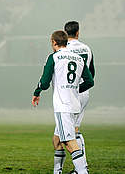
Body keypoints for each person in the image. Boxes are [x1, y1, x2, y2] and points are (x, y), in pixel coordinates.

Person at [31, 30, 94, 174]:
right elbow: (90, 81)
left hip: (63, 106)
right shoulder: (78, 58)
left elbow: (45, 82)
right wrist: (75, 89)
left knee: (69, 143)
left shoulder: (54, 57)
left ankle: (82, 171)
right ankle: (57, 171)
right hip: (75, 105)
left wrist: (37, 92)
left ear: (54, 42)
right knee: (57, 140)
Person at [64, 21, 95, 173]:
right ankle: (83, 165)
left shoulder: (64, 50)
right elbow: (92, 73)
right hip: (84, 92)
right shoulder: (87, 49)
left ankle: (80, 168)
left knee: (66, 134)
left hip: (69, 94)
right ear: (78, 33)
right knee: (75, 130)